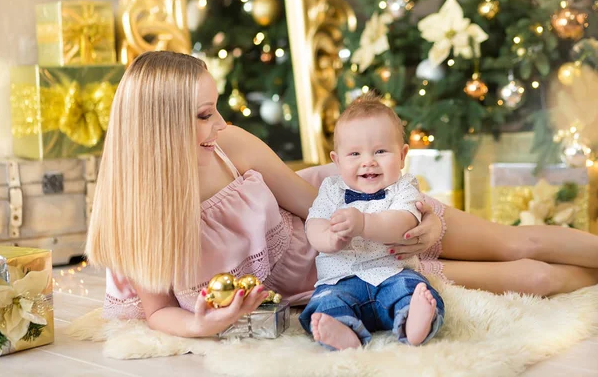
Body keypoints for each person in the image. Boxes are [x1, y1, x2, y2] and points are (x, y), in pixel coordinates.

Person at [87, 51, 598, 339]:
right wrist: (202, 325)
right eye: (203, 115)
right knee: (531, 276)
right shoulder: (134, 213)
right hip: (338, 278)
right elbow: (157, 312)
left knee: (517, 243)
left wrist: (415, 221)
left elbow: (317, 205)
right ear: (155, 125)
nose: (219, 122)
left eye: (215, 107)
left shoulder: (230, 145)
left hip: (362, 208)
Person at [299, 94, 444, 350]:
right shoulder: (331, 189)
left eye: (380, 151)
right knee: (324, 303)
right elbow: (314, 224)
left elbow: (403, 222)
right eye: (354, 153)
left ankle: (413, 322)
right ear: (336, 160)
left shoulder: (405, 186)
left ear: (402, 155)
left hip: (392, 275)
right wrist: (329, 239)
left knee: (415, 290)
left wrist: (364, 224)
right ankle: (342, 332)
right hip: (339, 280)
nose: (368, 161)